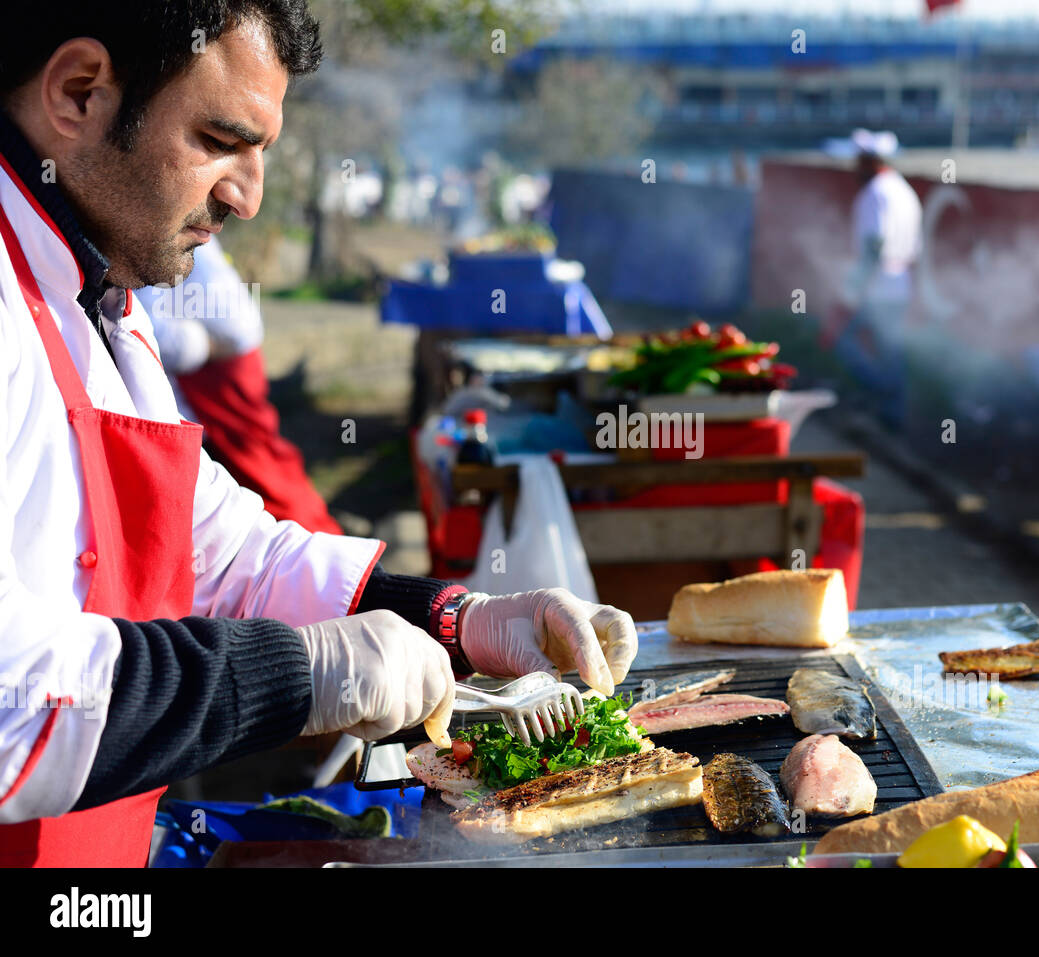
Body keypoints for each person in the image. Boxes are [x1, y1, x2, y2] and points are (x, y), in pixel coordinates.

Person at [0, 2, 636, 867]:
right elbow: (13, 699)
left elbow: (222, 554)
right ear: (79, 93)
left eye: (262, 151)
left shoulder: (95, 287)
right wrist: (302, 675)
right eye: (221, 139)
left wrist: (460, 618)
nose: (249, 196)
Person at [135, 236, 342, 533]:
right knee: (257, 456)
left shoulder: (159, 231)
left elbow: (157, 332)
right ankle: (316, 536)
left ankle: (313, 539)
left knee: (253, 461)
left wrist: (205, 347)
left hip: (219, 364)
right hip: (227, 355)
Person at [838, 128, 922, 432]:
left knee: (846, 340)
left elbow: (874, 246)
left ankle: (884, 396)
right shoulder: (903, 191)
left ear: (871, 162)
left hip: (880, 285)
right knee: (889, 350)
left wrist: (853, 290)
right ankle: (891, 413)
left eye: (859, 161)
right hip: (898, 284)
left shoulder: (876, 192)